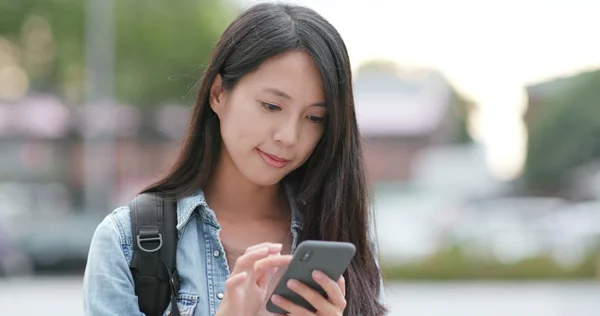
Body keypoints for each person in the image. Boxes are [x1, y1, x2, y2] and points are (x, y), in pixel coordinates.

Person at [83, 2, 387, 316]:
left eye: (314, 117)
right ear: (218, 94)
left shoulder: (341, 241)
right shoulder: (126, 241)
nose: (289, 136)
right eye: (271, 106)